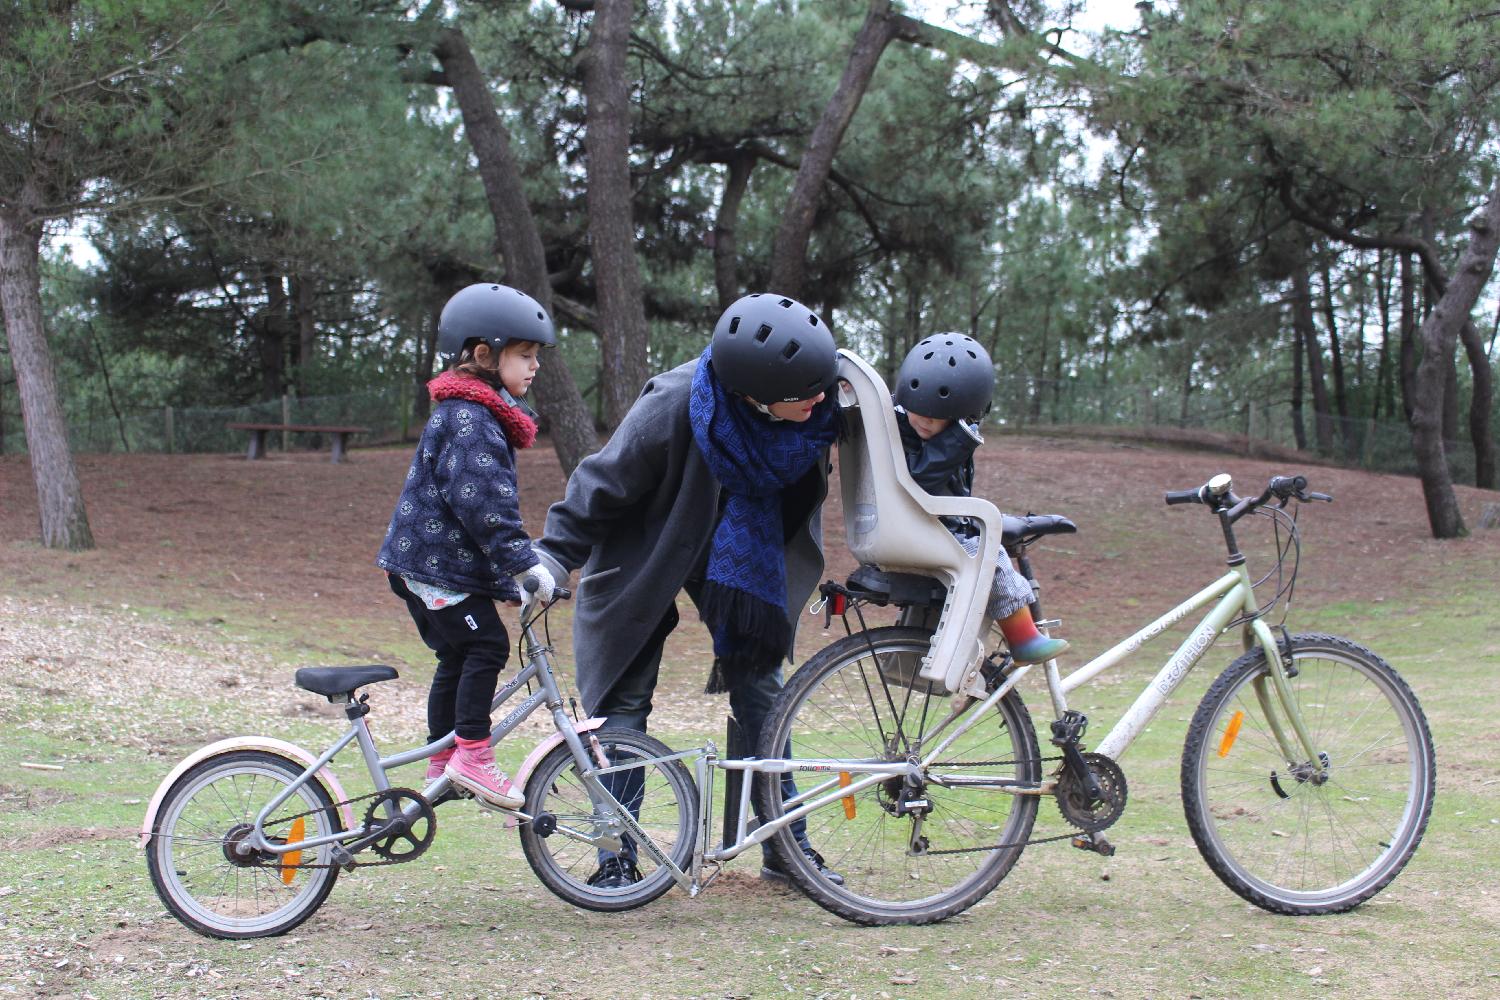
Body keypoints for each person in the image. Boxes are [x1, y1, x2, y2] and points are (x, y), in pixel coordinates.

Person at [533, 292, 846, 889]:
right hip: (643, 554)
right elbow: (599, 482)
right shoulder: (676, 403)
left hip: (741, 563)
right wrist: (554, 555)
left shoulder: (815, 413)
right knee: (622, 706)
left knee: (764, 696)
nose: (820, 398)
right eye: (806, 391)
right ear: (755, 389)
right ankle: (616, 855)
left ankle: (786, 846)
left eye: (821, 386)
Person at [376, 282, 557, 810]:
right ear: (484, 354)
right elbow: (483, 506)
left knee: (458, 653)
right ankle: (472, 756)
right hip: (435, 568)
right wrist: (525, 566)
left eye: (536, 357)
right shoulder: (472, 419)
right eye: (524, 355)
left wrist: (508, 576)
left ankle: (443, 757)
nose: (534, 366)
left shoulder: (470, 413)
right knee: (486, 647)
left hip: (427, 565)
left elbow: (471, 513)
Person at [891, 333, 1069, 664]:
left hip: (928, 526)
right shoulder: (921, 436)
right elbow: (920, 478)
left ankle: (987, 662)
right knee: (992, 559)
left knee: (991, 550)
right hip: (922, 529)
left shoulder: (920, 433)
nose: (925, 419)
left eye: (938, 414)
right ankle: (1023, 640)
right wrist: (958, 438)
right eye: (919, 410)